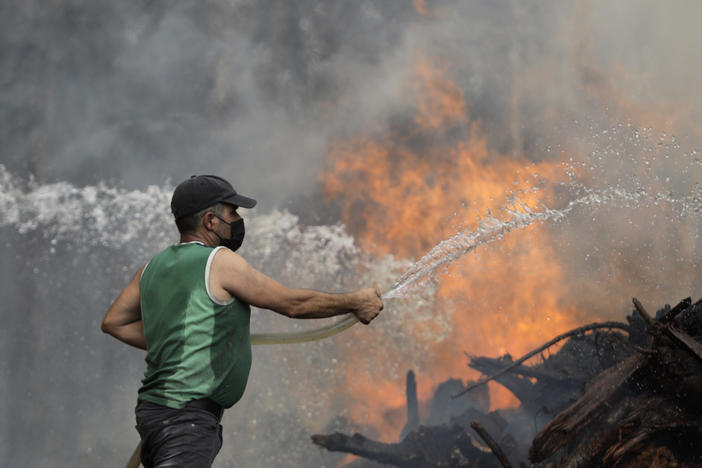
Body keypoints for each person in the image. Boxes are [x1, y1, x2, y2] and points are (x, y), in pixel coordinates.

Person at [101, 174, 383, 468]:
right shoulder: (219, 261)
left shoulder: (151, 268)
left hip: (154, 413)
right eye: (232, 212)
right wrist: (356, 302)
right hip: (186, 418)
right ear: (210, 220)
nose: (236, 220)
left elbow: (114, 322)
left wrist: (178, 342)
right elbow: (292, 304)